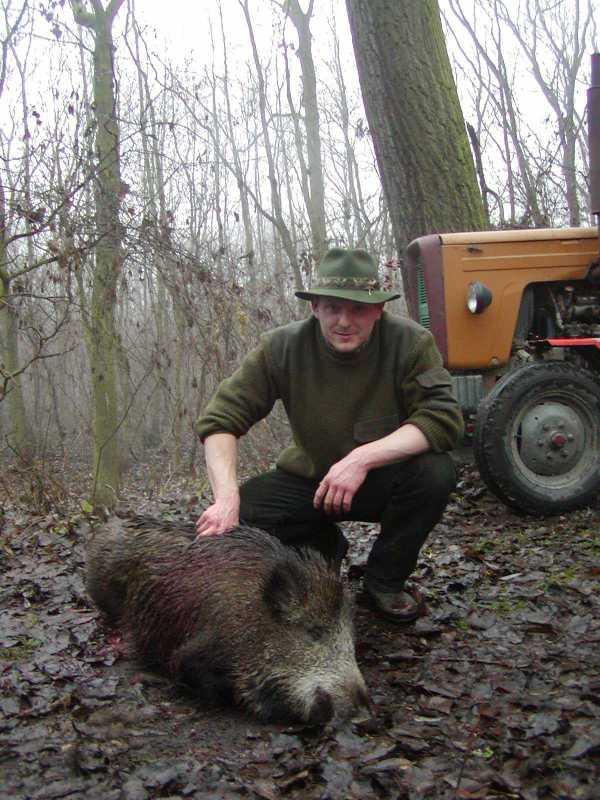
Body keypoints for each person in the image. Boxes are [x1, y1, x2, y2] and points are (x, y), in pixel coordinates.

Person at [195, 248, 463, 623]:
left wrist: (360, 459)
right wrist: (226, 499)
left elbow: (443, 417)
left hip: (383, 480)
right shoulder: (281, 347)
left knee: (436, 473)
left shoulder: (411, 343)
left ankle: (384, 581)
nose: (344, 321)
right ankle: (322, 550)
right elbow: (221, 420)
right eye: (333, 307)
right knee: (249, 511)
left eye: (358, 309)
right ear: (315, 308)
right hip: (312, 479)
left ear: (378, 310)